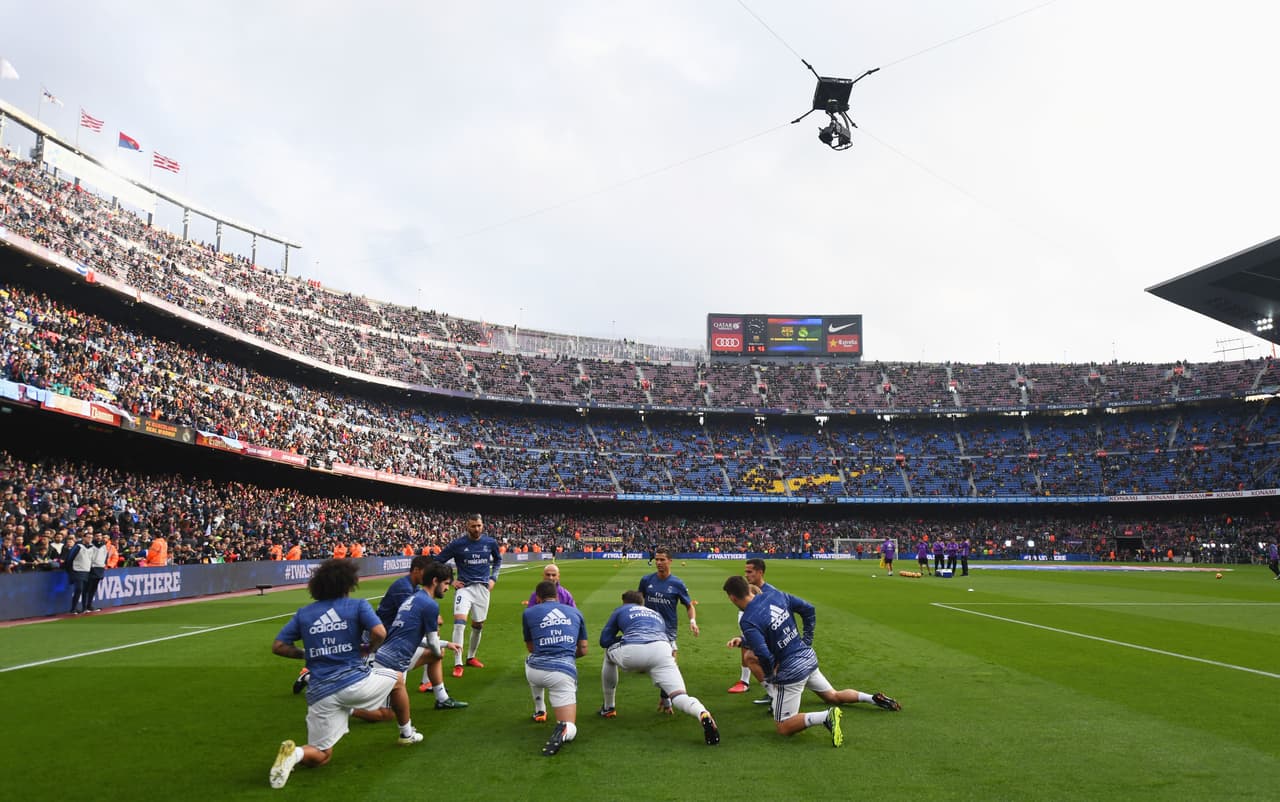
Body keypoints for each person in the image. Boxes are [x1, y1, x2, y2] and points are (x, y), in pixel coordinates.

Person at [268, 559, 421, 790]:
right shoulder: (357, 606)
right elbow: (379, 632)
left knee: (322, 755)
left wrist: (308, 655)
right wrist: (369, 649)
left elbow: (278, 646)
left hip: (320, 692)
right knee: (397, 680)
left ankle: (296, 754)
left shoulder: (304, 613)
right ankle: (406, 734)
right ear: (348, 583)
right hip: (354, 682)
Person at [722, 575, 901, 748]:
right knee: (833, 696)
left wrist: (771, 678)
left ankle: (825, 717)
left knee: (783, 726)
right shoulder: (775, 594)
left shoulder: (748, 619)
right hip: (807, 657)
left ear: (732, 597)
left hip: (791, 671)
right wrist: (806, 640)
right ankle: (872, 698)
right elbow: (808, 609)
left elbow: (762, 653)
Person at [598, 590, 719, 745]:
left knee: (608, 653)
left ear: (625, 602)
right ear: (642, 603)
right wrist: (665, 697)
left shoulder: (621, 610)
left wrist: (625, 637)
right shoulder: (655, 614)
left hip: (632, 651)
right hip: (662, 649)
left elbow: (604, 640)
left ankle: (609, 708)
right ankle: (702, 713)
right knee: (680, 696)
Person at [352, 561, 464, 724]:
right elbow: (432, 640)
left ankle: (441, 699)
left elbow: (412, 636)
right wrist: (438, 646)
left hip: (389, 652)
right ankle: (343, 708)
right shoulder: (425, 602)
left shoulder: (414, 596)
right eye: (446, 583)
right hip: (390, 659)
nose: (448, 588)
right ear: (435, 581)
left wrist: (445, 645)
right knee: (387, 714)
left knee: (435, 656)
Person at [522, 580, 588, 756]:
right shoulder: (576, 612)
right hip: (562, 673)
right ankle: (564, 731)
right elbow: (583, 650)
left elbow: (531, 647)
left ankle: (539, 710)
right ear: (558, 596)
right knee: (570, 725)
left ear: (538, 598)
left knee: (530, 659)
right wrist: (565, 654)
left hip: (535, 671)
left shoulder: (528, 613)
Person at [436, 513, 502, 678]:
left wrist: (494, 578)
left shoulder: (490, 542)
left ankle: (471, 657)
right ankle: (458, 663)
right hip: (464, 588)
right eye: (473, 526)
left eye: (479, 525)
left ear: (482, 525)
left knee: (478, 625)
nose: (476, 529)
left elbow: (498, 560)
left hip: (483, 589)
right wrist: (450, 581)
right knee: (459, 623)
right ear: (467, 526)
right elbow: (438, 561)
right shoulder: (458, 544)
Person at [638, 549, 699, 713]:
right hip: (648, 627)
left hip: (668, 629)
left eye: (662, 559)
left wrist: (692, 621)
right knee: (646, 664)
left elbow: (689, 605)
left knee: (671, 663)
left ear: (670, 561)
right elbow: (638, 602)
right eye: (657, 559)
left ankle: (666, 700)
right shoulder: (646, 580)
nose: (658, 562)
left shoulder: (677, 583)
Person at [728, 557, 777, 696]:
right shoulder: (745, 590)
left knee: (758, 654)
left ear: (760, 572)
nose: (746, 575)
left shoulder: (770, 592)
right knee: (746, 643)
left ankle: (775, 692)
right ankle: (745, 681)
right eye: (745, 571)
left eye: (750, 572)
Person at [66, 534, 92, 614]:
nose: (90, 539)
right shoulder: (78, 546)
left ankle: (84, 608)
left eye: (91, 537)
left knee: (85, 590)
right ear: (83, 537)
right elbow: (70, 558)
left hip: (87, 571)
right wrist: (70, 571)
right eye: (88, 537)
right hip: (77, 570)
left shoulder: (91, 547)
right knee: (79, 589)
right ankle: (73, 608)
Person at [84, 532, 108, 612]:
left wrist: (104, 564)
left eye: (100, 535)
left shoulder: (104, 546)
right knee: (88, 587)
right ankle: (85, 606)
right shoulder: (91, 546)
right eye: (97, 536)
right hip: (92, 568)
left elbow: (105, 556)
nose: (98, 537)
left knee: (94, 588)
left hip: (100, 568)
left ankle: (89, 605)